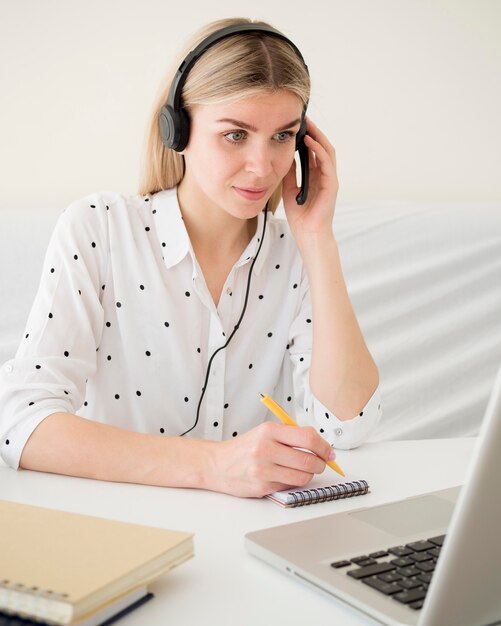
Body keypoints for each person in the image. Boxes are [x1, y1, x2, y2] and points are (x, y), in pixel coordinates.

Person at [0, 17, 381, 498]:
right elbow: (20, 422)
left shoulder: (297, 255)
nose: (262, 167)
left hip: (251, 537)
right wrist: (215, 466)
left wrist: (318, 240)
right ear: (177, 130)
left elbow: (348, 426)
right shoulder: (99, 228)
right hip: (124, 530)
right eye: (235, 135)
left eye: (283, 136)